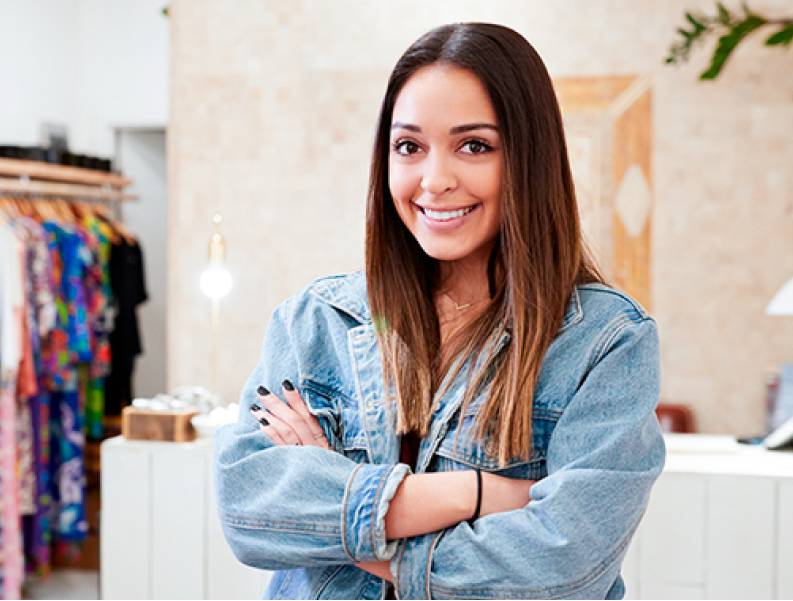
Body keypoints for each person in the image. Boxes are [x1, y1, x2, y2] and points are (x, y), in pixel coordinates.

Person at [213, 22, 663, 600]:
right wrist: (472, 493)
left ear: (529, 159)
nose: (435, 180)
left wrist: (338, 507)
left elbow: (559, 572)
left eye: (474, 145)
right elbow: (250, 510)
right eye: (410, 147)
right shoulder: (315, 321)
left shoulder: (605, 342)